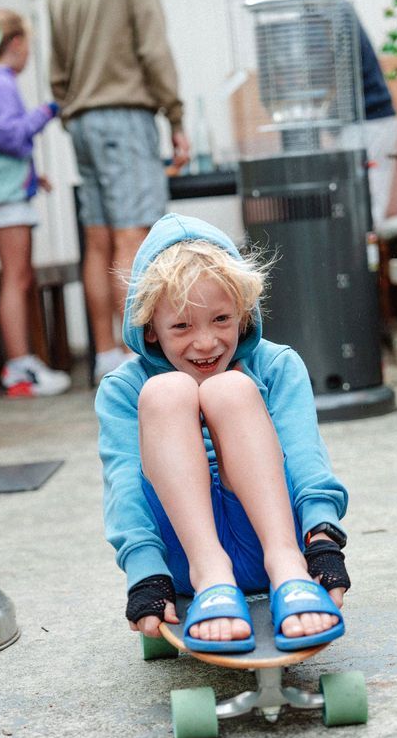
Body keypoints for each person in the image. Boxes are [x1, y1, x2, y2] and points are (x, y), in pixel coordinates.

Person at [96, 213, 350, 652]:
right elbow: (124, 486)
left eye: (220, 319)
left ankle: (286, 567)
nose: (206, 342)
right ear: (149, 329)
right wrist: (145, 573)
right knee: (164, 392)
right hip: (188, 560)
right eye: (181, 326)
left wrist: (322, 538)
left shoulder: (276, 365)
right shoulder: (124, 388)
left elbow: (306, 454)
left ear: (244, 313)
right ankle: (213, 572)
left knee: (231, 388)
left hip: (274, 537)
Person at [49, 0, 191, 384]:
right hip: (125, 115)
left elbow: (56, 68)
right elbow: (153, 48)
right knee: (133, 237)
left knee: (98, 240)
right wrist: (175, 115)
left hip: (81, 120)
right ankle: (136, 361)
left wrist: (71, 106)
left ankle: (106, 356)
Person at [0, 9, 71, 398]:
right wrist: (46, 111)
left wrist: (29, 175)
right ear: (17, 43)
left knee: (20, 276)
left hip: (3, 191)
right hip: (4, 197)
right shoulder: (0, 82)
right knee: (16, 277)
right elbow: (7, 134)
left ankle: (23, 364)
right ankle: (20, 368)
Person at [245, 0, 397, 228]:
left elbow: (324, 73)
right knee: (349, 210)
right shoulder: (316, 8)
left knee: (363, 213)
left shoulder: (326, 7)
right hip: (354, 127)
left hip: (370, 124)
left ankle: (366, 265)